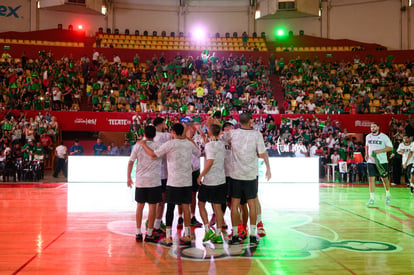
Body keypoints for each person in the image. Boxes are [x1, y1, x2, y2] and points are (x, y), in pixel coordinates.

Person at [139, 123, 201, 247]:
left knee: (170, 208)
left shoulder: (170, 144)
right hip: (187, 181)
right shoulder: (189, 144)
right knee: (186, 208)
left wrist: (143, 144)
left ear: (173, 132)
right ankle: (188, 235)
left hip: (173, 182)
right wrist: (188, 139)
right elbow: (199, 153)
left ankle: (168, 237)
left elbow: (153, 154)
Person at [223, 112, 271, 245]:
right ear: (250, 121)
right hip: (250, 174)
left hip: (235, 175)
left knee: (235, 204)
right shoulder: (256, 135)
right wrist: (268, 167)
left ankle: (235, 235)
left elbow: (222, 137)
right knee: (252, 203)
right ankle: (253, 235)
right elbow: (261, 154)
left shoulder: (233, 133)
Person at [127, 125, 162, 243]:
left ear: (144, 134)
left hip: (141, 181)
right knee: (153, 207)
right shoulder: (158, 146)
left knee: (140, 206)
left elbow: (131, 162)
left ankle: (138, 232)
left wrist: (128, 177)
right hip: (154, 181)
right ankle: (150, 233)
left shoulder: (138, 146)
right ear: (155, 135)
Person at [197, 124, 226, 244]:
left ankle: (207, 229)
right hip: (221, 180)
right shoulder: (221, 144)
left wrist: (200, 175)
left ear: (210, 132)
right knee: (217, 207)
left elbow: (209, 162)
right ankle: (218, 234)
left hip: (210, 180)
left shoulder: (209, 146)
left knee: (201, 203)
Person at [365, 122, 393, 206]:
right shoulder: (368, 136)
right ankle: (372, 198)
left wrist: (379, 151)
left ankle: (388, 195)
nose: (372, 128)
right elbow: (366, 145)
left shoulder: (384, 137)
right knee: (371, 179)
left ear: (378, 127)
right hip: (371, 161)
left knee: (384, 179)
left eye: (374, 127)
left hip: (382, 161)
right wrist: (366, 154)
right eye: (371, 127)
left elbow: (390, 147)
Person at [152, 117, 171, 236]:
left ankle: (153, 223)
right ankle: (156, 225)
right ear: (162, 124)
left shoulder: (149, 137)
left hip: (153, 173)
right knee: (161, 201)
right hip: (163, 173)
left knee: (153, 202)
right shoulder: (164, 136)